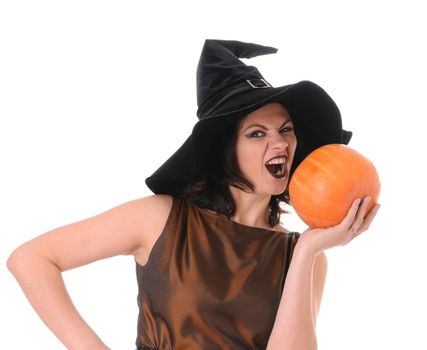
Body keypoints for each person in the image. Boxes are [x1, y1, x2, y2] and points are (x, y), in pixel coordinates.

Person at [7, 39, 381, 350]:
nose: (280, 143)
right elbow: (32, 259)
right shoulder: (159, 219)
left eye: (285, 129)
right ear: (225, 149)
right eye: (257, 133)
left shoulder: (304, 256)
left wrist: (306, 253)